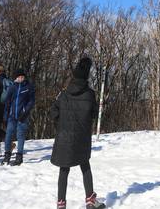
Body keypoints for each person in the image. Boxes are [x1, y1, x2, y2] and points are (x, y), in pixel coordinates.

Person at [51, 57, 106, 209]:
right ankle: (90, 200)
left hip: (64, 137)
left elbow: (53, 113)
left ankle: (61, 204)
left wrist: (60, 126)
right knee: (85, 166)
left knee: (64, 169)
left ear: (74, 76)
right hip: (81, 137)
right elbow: (94, 114)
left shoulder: (63, 94)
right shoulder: (90, 94)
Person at [2, 68, 35, 166]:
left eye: (22, 76)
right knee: (8, 136)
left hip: (23, 117)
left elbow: (31, 101)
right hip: (12, 117)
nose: (21, 78)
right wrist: (5, 115)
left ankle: (19, 156)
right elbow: (7, 102)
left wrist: (25, 111)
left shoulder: (28, 87)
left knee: (20, 136)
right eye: (19, 76)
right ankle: (7, 155)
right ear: (15, 78)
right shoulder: (12, 87)